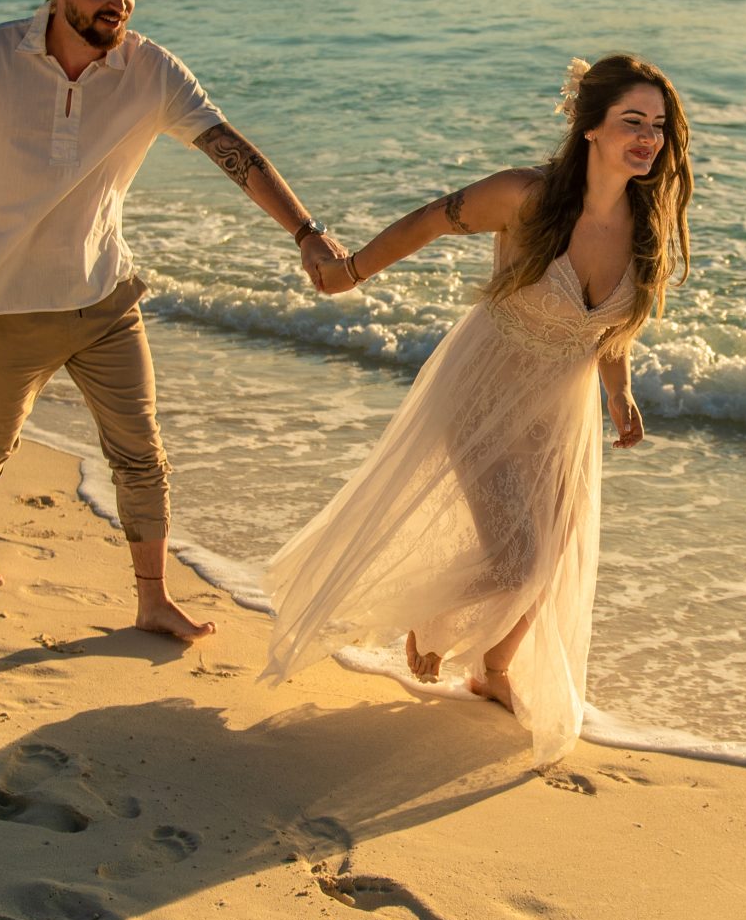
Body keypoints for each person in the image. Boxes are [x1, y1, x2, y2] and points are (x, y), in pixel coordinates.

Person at [0, 0, 346, 639]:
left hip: (105, 297)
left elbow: (229, 149)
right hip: (4, 303)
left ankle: (152, 595)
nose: (121, 3)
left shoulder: (152, 71)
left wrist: (304, 231)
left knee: (142, 452)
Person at [260, 54, 694, 762]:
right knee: (517, 561)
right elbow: (432, 219)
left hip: (563, 411)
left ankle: (494, 672)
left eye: (658, 126)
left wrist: (620, 393)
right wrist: (348, 272)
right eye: (631, 122)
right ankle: (428, 619)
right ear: (591, 128)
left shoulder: (645, 225)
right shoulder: (526, 198)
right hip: (484, 392)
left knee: (549, 558)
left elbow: (609, 327)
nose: (647, 137)